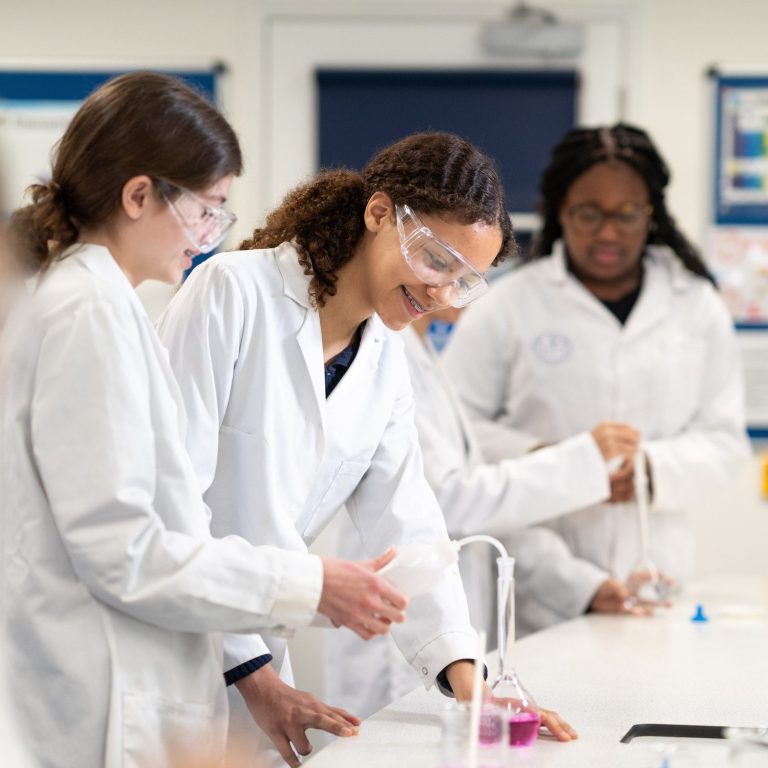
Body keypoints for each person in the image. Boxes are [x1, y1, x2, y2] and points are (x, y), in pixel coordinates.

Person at [0, 72, 406, 768]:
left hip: (131, 691)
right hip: (97, 706)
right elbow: (122, 552)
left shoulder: (104, 306)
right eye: (207, 208)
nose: (212, 234)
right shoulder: (88, 313)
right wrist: (309, 584)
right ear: (138, 195)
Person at [157, 132, 576, 765]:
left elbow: (409, 525)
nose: (441, 294)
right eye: (436, 261)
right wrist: (254, 673)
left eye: (465, 282)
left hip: (261, 650)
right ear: (379, 214)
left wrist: (474, 686)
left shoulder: (385, 356)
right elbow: (173, 501)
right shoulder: (232, 293)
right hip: (172, 639)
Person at [442, 123, 751, 635]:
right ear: (561, 211)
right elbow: (457, 431)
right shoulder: (508, 304)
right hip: (541, 585)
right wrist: (556, 458)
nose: (608, 233)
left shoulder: (695, 305)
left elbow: (724, 440)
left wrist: (647, 470)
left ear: (651, 213)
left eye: (627, 213)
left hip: (656, 577)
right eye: (588, 213)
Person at [323, 300, 657, 718]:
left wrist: (585, 587)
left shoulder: (425, 357)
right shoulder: (390, 351)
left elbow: (485, 527)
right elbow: (448, 501)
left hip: (448, 641)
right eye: (459, 268)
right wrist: (580, 462)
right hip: (400, 639)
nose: (472, 288)